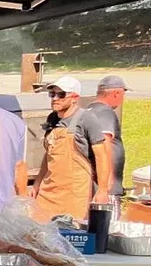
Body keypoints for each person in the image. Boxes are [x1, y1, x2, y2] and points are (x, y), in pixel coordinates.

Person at [33, 75, 112, 220]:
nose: (55, 98)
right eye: (52, 94)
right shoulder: (52, 119)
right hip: (48, 192)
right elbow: (49, 154)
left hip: (75, 195)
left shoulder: (86, 119)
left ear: (75, 97)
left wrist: (102, 190)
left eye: (61, 94)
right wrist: (37, 183)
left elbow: (102, 155)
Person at [88, 75, 128, 197]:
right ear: (116, 93)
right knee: (109, 216)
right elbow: (104, 144)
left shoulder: (89, 110)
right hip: (106, 188)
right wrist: (106, 184)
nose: (122, 99)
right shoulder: (105, 113)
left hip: (93, 182)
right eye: (122, 95)